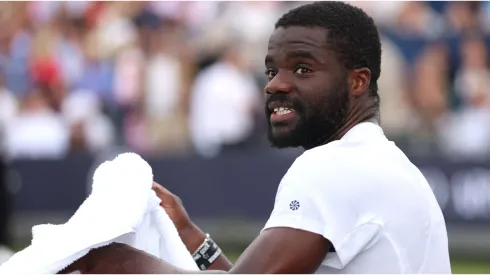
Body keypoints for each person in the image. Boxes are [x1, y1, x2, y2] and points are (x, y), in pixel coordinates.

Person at [61, 2, 451, 274]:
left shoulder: (334, 166)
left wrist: (110, 261)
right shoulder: (387, 163)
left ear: (357, 81)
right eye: (271, 72)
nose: (275, 86)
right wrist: (191, 237)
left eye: (301, 69)